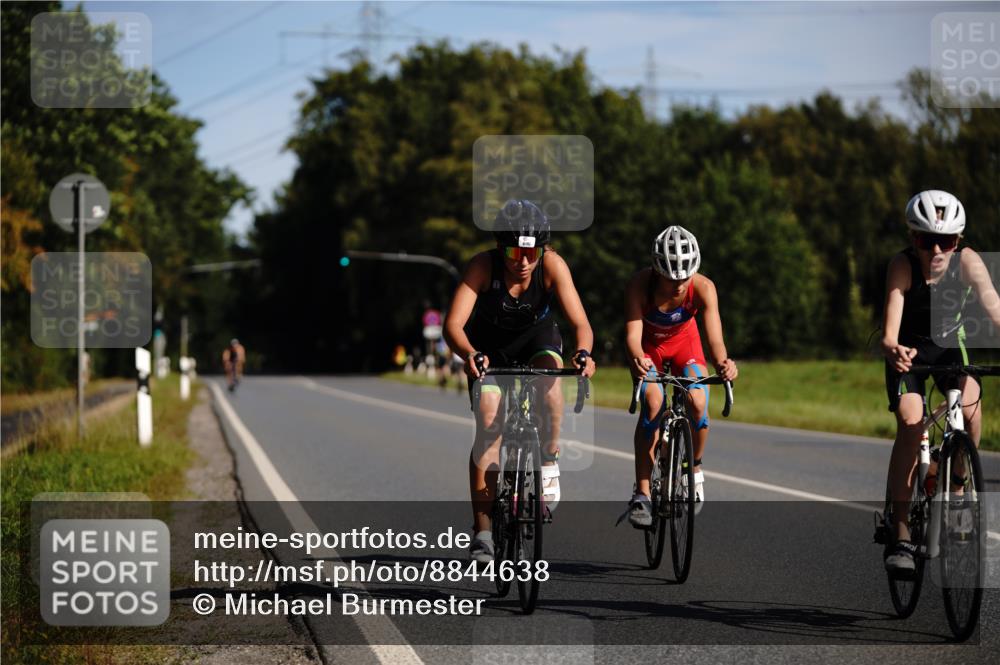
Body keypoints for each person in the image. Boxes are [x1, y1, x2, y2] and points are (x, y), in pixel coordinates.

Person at [443, 200, 597, 563]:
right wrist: (469, 354)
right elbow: (453, 325)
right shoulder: (482, 266)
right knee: (488, 421)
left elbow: (581, 325)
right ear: (501, 247)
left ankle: (548, 459)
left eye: (531, 251)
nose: (523, 260)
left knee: (549, 385)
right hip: (488, 349)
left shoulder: (553, 265)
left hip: (537, 339)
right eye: (515, 250)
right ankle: (482, 532)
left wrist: (585, 353)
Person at [881, 190, 1000, 573]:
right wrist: (892, 348)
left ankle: (959, 487)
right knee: (911, 422)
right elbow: (890, 328)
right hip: (909, 354)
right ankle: (899, 531)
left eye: (945, 241)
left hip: (950, 350)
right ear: (912, 238)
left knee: (970, 404)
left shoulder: (968, 262)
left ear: (958, 242)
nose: (935, 250)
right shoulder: (902, 266)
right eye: (924, 240)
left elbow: (993, 306)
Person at [624, 225, 738, 527]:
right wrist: (639, 360)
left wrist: (724, 363)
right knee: (652, 404)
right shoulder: (639, 285)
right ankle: (643, 494)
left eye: (684, 277)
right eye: (670, 277)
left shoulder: (703, 288)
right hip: (649, 349)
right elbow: (633, 336)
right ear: (655, 268)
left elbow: (714, 340)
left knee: (698, 402)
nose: (677, 284)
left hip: (685, 346)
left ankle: (695, 466)